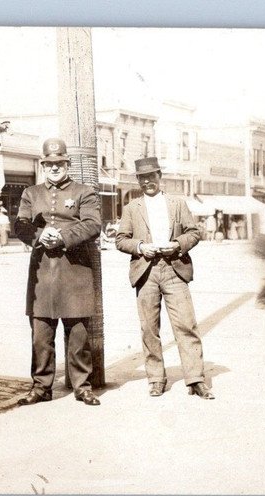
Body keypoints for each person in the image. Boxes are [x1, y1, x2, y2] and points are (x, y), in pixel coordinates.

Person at [115, 157, 214, 400]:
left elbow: (194, 232)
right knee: (149, 328)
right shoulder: (131, 208)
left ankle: (196, 379)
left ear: (160, 176)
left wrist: (177, 244)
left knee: (186, 325)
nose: (148, 181)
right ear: (138, 180)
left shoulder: (177, 204)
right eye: (143, 177)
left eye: (152, 176)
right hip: (146, 271)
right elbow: (120, 239)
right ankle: (156, 378)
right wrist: (139, 246)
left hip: (174, 270)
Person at [14, 138, 102, 406]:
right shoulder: (31, 193)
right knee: (41, 335)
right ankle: (41, 387)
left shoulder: (84, 192)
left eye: (59, 163)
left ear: (67, 163)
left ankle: (82, 386)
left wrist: (62, 237)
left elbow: (92, 225)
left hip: (74, 272)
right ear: (43, 165)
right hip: (42, 273)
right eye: (49, 163)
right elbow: (20, 225)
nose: (54, 167)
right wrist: (41, 235)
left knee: (77, 335)